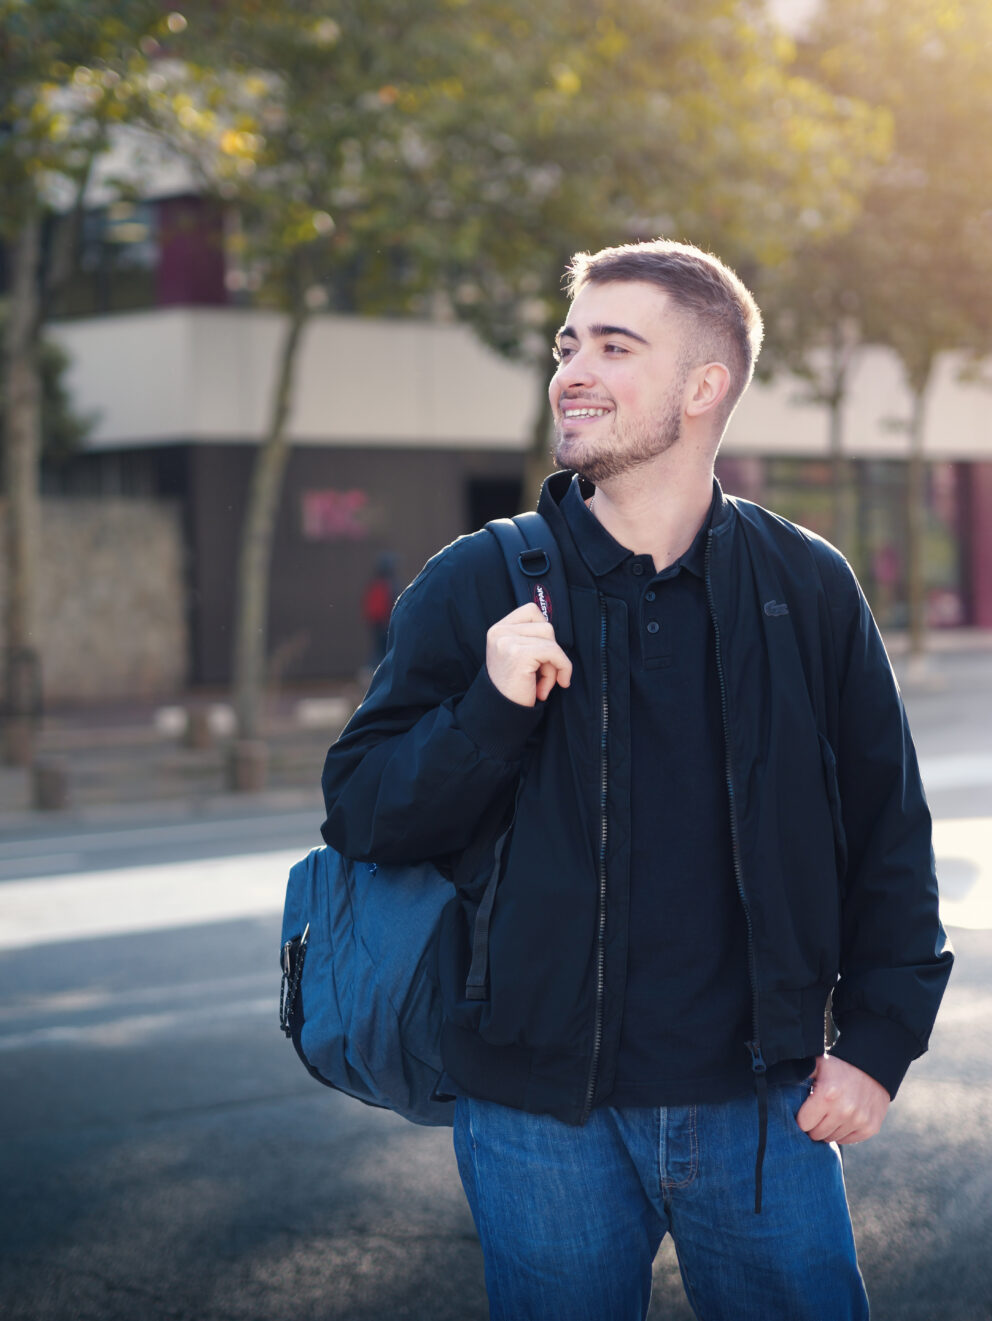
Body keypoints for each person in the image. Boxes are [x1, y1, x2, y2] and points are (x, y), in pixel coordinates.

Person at [320, 239, 953, 1320]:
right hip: (536, 1119)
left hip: (764, 1106)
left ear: (704, 386)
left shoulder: (805, 585)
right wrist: (487, 710)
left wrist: (880, 1044)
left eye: (614, 347)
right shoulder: (478, 579)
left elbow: (886, 829)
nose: (572, 370)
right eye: (567, 345)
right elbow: (362, 811)